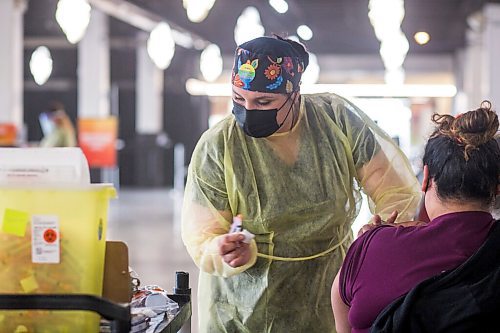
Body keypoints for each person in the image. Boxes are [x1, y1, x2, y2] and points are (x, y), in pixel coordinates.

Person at [182, 35, 421, 332]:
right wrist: (225, 250)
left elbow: (395, 190)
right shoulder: (219, 146)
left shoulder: (336, 121)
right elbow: (202, 234)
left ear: (295, 93)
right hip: (245, 309)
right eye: (238, 99)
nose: (249, 111)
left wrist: (383, 232)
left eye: (264, 101)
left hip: (327, 294)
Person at [332, 102, 500, 333]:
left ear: (426, 178)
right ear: (497, 186)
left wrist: (372, 244)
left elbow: (342, 318)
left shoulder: (373, 247)